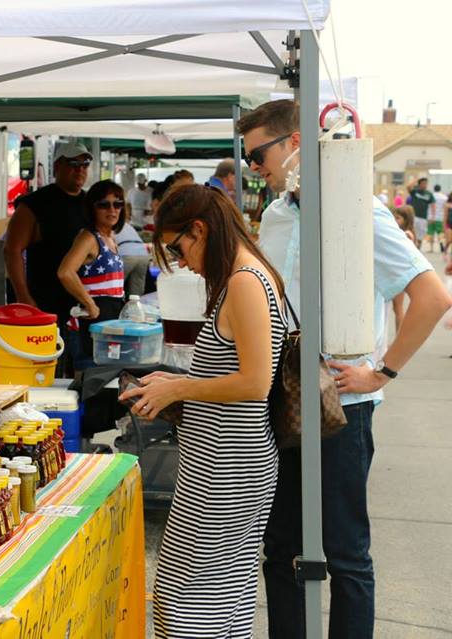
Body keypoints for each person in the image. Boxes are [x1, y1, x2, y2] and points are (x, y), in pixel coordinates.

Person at [238, 99, 451, 639]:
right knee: (281, 543)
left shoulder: (358, 212)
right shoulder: (279, 212)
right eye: (247, 160)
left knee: (345, 552)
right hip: (284, 395)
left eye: (258, 155)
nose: (254, 168)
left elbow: (431, 296)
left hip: (342, 406)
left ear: (294, 145)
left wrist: (384, 371)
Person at [119, 184, 287, 638]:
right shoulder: (244, 277)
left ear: (201, 229)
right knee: (217, 596)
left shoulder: (244, 281)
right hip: (225, 462)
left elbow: (255, 383)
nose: (181, 262)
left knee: (189, 600)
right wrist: (173, 386)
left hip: (229, 467)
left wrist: (178, 389)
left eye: (179, 247)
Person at [4, 141, 91, 327]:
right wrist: (23, 297)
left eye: (84, 165)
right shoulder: (34, 204)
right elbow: (12, 250)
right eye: (73, 164)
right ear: (58, 166)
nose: (80, 170)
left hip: (84, 303)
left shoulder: (90, 203)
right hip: (46, 302)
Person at [57, 180, 128, 370]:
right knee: (90, 385)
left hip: (107, 327)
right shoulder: (88, 237)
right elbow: (65, 272)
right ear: (92, 208)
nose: (112, 210)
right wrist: (90, 304)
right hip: (90, 329)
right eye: (104, 204)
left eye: (118, 204)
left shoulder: (110, 239)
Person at [408, 177, 434, 246]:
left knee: (421, 235)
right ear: (419, 184)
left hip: (423, 217)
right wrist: (415, 180)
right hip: (414, 216)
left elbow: (433, 205)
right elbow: (408, 187)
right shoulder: (415, 192)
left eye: (426, 184)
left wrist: (432, 217)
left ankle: (418, 248)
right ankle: (413, 246)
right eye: (423, 183)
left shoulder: (429, 194)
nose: (425, 185)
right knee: (413, 232)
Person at [428, 184, 447, 252]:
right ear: (440, 189)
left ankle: (431, 248)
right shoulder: (444, 197)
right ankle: (441, 244)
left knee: (431, 232)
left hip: (430, 217)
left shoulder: (430, 196)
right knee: (440, 232)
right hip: (440, 217)